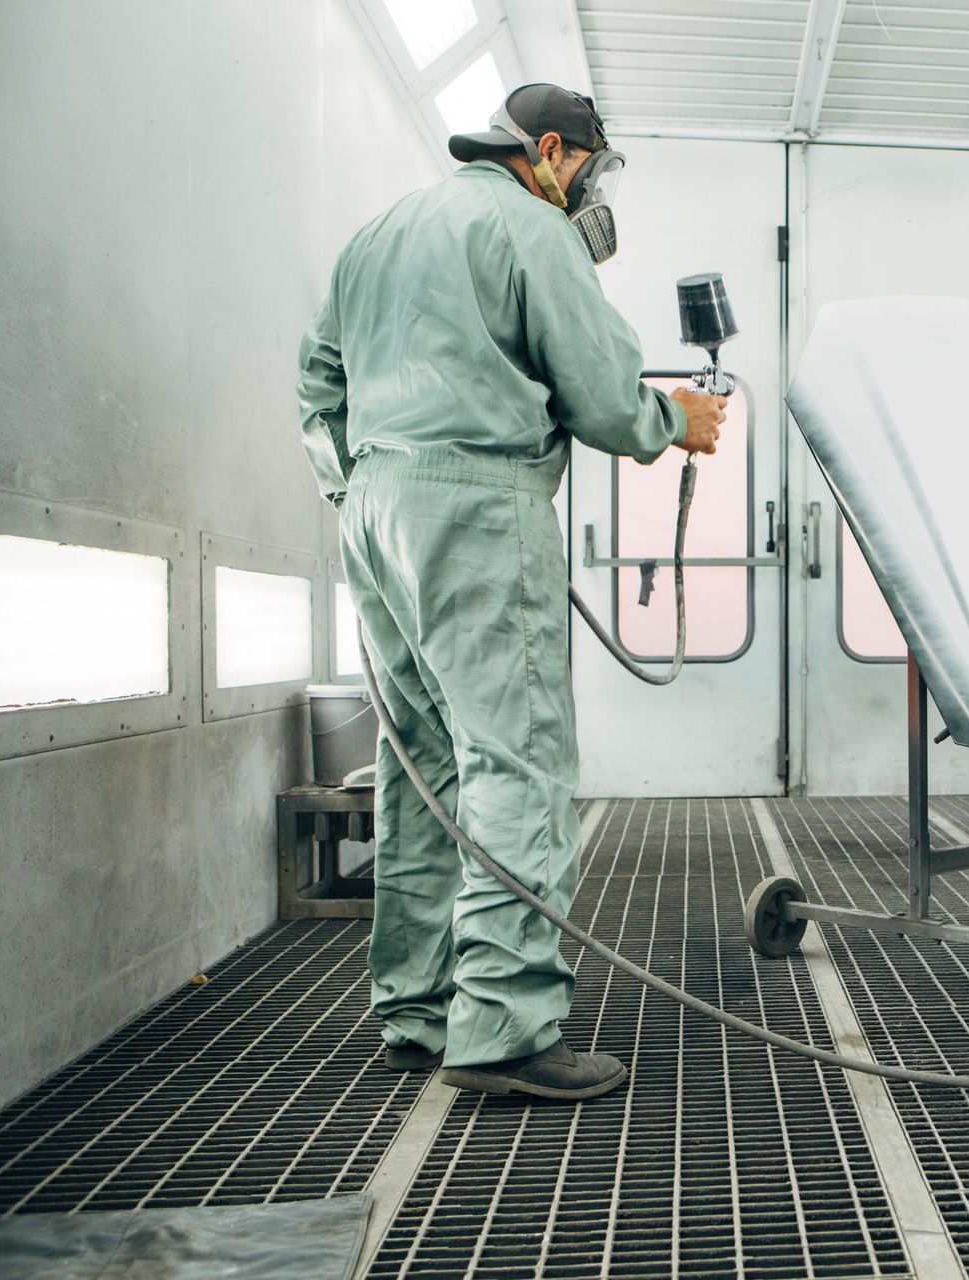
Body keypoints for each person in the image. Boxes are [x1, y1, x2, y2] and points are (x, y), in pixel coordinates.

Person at [295, 83, 724, 1101]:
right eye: (585, 167)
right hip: (480, 505)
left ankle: (417, 1004)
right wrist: (678, 420)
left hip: (375, 504)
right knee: (517, 759)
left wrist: (361, 487)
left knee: (421, 764)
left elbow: (317, 383)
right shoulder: (531, 228)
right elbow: (600, 392)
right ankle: (503, 1025)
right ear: (546, 151)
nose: (586, 192)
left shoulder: (378, 233)